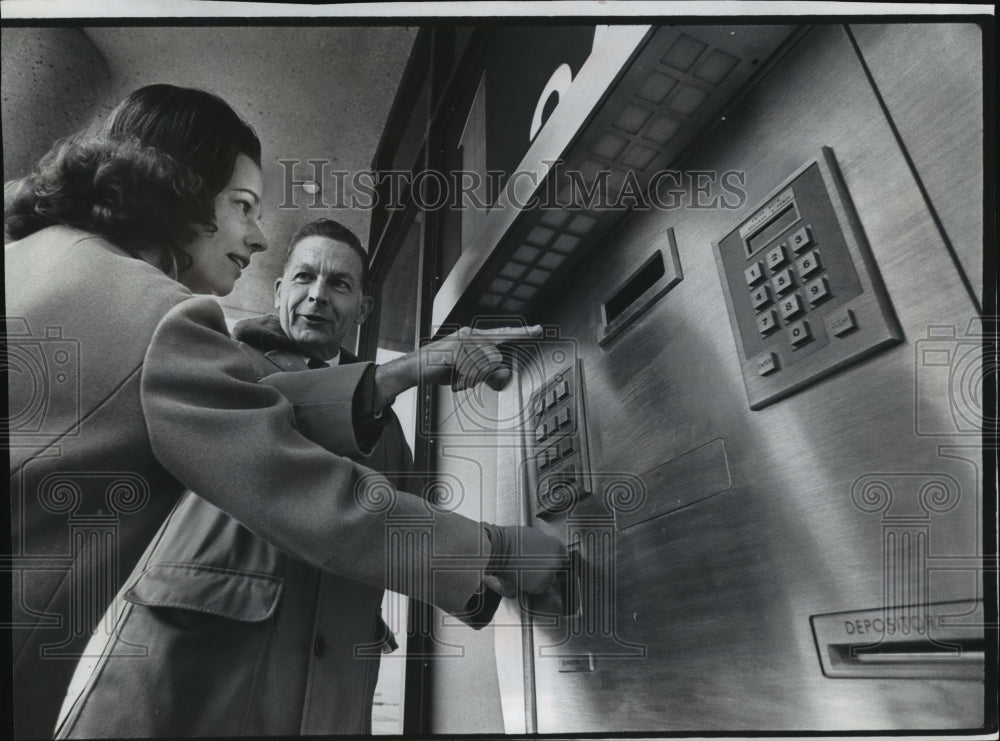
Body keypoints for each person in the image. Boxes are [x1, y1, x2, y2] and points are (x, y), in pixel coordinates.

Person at [5, 84, 566, 739]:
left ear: (364, 308)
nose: (257, 234)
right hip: (186, 691)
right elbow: (291, 447)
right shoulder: (180, 327)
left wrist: (487, 590)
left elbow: (379, 526)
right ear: (179, 188)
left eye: (340, 283)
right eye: (243, 205)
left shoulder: (40, 264)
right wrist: (500, 544)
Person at [55, 218, 452, 736]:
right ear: (279, 288)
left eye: (339, 284)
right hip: (196, 670)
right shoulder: (226, 361)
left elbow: (408, 530)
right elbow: (289, 418)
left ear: (363, 309)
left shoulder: (390, 429)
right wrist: (403, 373)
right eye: (305, 278)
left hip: (330, 686)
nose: (317, 295)